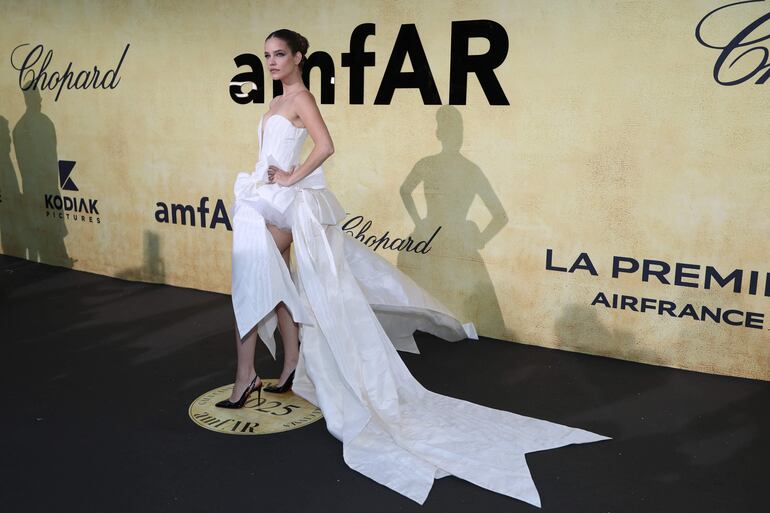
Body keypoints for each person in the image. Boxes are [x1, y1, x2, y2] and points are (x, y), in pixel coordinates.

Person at [219, 28, 609, 507]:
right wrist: (271, 179)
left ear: (299, 57)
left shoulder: (300, 98)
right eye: (267, 55)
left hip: (288, 203)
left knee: (252, 279)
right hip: (267, 198)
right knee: (277, 280)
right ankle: (290, 363)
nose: (272, 62)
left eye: (280, 54)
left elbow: (325, 146)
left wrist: (291, 178)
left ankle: (247, 375)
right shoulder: (277, 100)